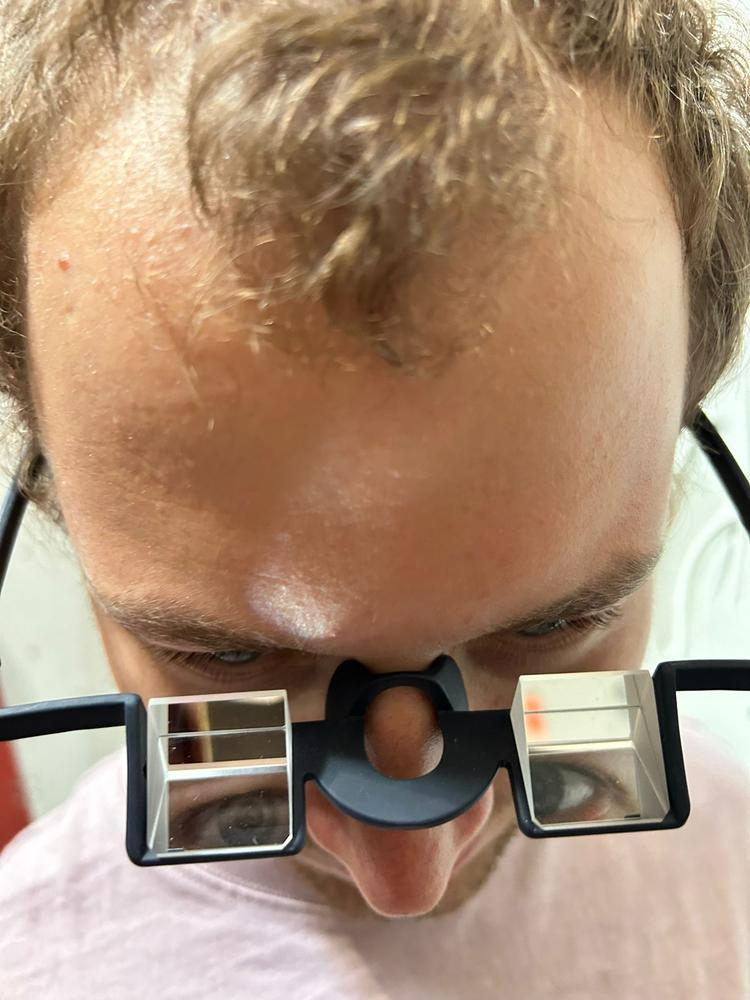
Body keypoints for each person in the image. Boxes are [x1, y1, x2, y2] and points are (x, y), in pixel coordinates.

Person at [1, 0, 749, 996]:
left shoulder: (730, 849)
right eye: (227, 656)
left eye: (557, 625)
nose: (408, 871)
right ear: (48, 481)